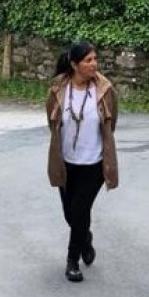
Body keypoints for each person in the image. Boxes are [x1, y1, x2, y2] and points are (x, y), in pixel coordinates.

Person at [46, 41, 119, 283]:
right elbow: (53, 123)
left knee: (79, 210)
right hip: (66, 163)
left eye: (95, 59)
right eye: (88, 60)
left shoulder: (105, 89)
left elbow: (111, 124)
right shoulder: (58, 89)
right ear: (75, 65)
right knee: (71, 214)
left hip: (94, 163)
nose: (94, 64)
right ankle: (85, 242)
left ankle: (72, 261)